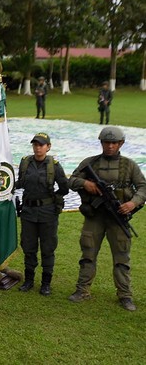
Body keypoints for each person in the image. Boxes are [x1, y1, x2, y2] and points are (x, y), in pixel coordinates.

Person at [68, 126, 146, 311]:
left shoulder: (129, 166)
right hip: (94, 217)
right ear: (101, 143)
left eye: (114, 143)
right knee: (88, 254)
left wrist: (133, 203)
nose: (110, 146)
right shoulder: (91, 163)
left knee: (121, 258)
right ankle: (82, 290)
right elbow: (71, 181)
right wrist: (85, 183)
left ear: (121, 144)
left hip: (117, 218)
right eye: (106, 142)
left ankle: (125, 295)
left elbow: (143, 187)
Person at [15, 133, 69, 296]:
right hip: (28, 212)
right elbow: (20, 183)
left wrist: (53, 199)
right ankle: (29, 280)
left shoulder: (54, 165)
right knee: (29, 247)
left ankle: (46, 283)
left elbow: (64, 188)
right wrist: (5, 184)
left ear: (48, 147)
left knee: (47, 248)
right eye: (35, 145)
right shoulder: (25, 162)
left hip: (48, 213)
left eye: (41, 145)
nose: (38, 148)